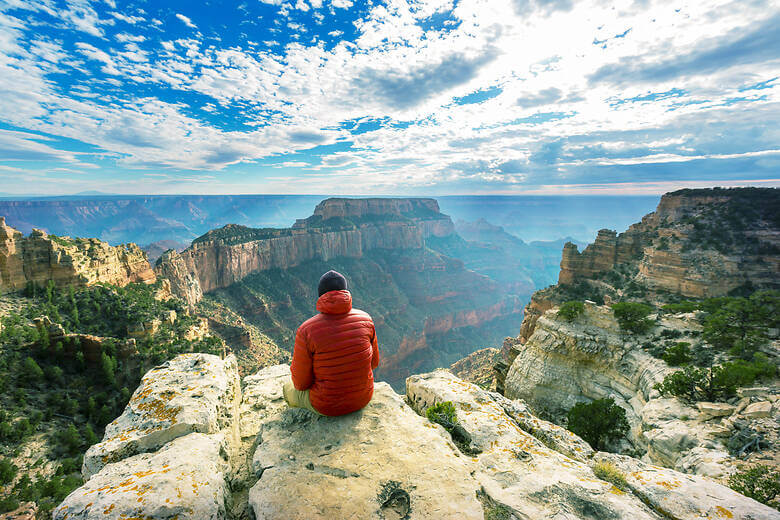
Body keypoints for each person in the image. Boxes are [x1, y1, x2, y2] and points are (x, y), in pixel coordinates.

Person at [284, 270, 380, 416]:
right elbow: (373, 364)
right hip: (362, 398)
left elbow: (301, 384)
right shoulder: (366, 319)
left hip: (326, 406)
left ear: (320, 295)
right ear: (346, 292)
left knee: (287, 388)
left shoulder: (306, 330)